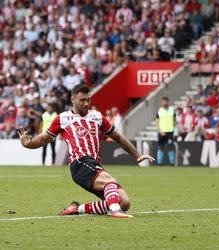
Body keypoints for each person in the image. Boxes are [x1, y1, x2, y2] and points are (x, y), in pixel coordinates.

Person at [17, 84, 154, 218]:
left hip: (95, 165)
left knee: (124, 202)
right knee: (109, 181)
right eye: (82, 100)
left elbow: (117, 136)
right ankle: (114, 211)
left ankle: (77, 209)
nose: (86, 103)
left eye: (88, 99)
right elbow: (43, 139)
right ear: (73, 100)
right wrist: (28, 144)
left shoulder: (97, 116)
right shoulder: (62, 118)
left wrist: (137, 155)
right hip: (80, 163)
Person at [156, 97, 176, 166]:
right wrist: (159, 130)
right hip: (162, 132)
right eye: (163, 101)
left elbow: (174, 121)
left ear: (168, 102)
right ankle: (159, 162)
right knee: (160, 147)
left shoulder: (172, 110)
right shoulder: (159, 110)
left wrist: (174, 130)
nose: (164, 102)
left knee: (170, 147)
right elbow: (157, 122)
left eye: (165, 101)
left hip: (170, 132)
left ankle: (172, 162)